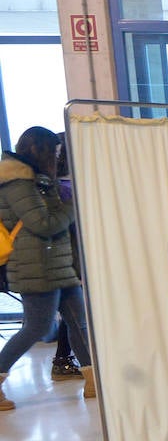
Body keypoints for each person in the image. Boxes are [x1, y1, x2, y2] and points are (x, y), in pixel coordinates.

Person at [0, 126, 96, 409]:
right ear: (39, 150)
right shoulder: (17, 182)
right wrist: (73, 206)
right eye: (54, 152)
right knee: (36, 327)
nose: (57, 157)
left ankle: (93, 381)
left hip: (55, 264)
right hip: (35, 266)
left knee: (78, 324)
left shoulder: (36, 179)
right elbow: (44, 224)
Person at [50, 134, 85, 381]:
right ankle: (65, 360)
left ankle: (69, 361)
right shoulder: (66, 190)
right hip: (73, 261)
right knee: (73, 317)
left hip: (70, 261)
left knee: (74, 317)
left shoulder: (58, 188)